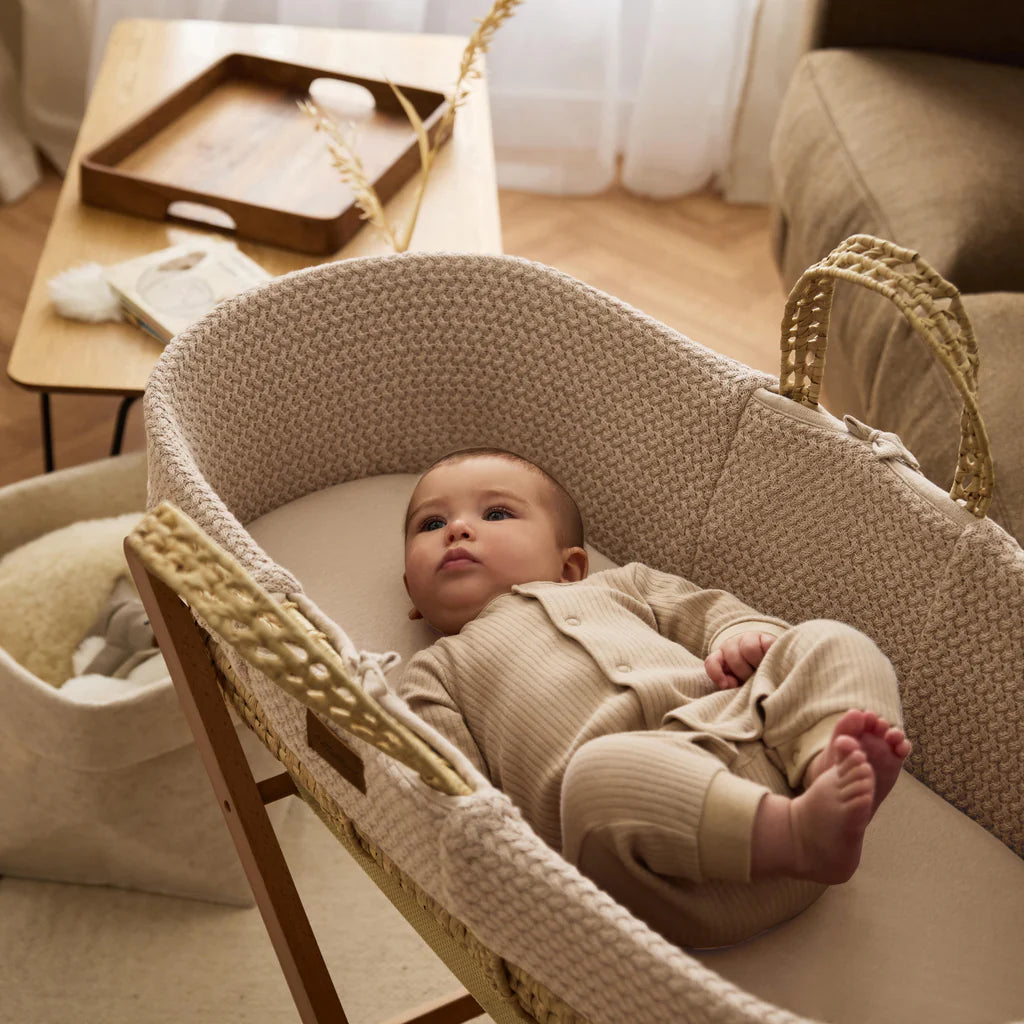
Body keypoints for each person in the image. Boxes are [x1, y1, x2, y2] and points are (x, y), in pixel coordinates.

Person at [395, 447, 911, 948]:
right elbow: (454, 790)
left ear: (570, 567)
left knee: (827, 640)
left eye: (496, 513)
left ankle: (826, 763)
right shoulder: (437, 671)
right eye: (431, 525)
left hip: (759, 745)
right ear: (413, 596)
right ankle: (796, 835)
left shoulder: (626, 584)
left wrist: (743, 638)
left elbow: (710, 611)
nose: (458, 530)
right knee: (599, 773)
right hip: (655, 860)